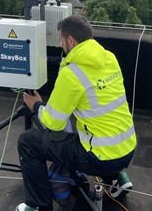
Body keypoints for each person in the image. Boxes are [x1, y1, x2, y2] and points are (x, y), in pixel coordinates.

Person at [16, 15, 137, 211]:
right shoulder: (109, 58)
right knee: (93, 130)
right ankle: (116, 180)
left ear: (71, 40)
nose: (61, 45)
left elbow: (53, 123)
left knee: (28, 142)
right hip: (127, 149)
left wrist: (37, 106)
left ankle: (39, 206)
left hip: (98, 159)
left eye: (61, 41)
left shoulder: (72, 74)